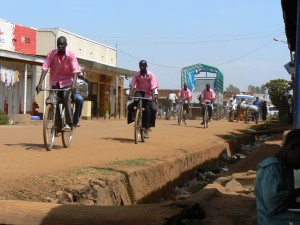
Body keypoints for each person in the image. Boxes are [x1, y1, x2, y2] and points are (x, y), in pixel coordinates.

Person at [254, 129, 300, 225]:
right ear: (293, 147)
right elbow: (273, 201)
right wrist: (298, 192)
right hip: (272, 221)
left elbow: (286, 202)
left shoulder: (286, 168)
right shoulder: (272, 167)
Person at [36, 36, 82, 130]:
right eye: (58, 45)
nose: (60, 46)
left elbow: (75, 70)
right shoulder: (51, 54)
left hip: (68, 84)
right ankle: (55, 120)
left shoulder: (71, 55)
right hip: (55, 83)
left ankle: (70, 122)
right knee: (50, 100)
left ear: (66, 45)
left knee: (67, 98)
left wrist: (73, 84)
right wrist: (40, 83)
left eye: (62, 44)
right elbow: (45, 68)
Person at [127, 60, 158, 138]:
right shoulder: (136, 74)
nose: (141, 67)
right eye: (140, 65)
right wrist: (130, 95)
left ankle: (146, 127)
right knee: (134, 103)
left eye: (143, 66)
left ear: (146, 66)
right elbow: (132, 85)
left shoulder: (151, 75)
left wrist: (153, 97)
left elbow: (153, 87)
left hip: (148, 93)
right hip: (139, 92)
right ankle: (135, 116)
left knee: (147, 109)